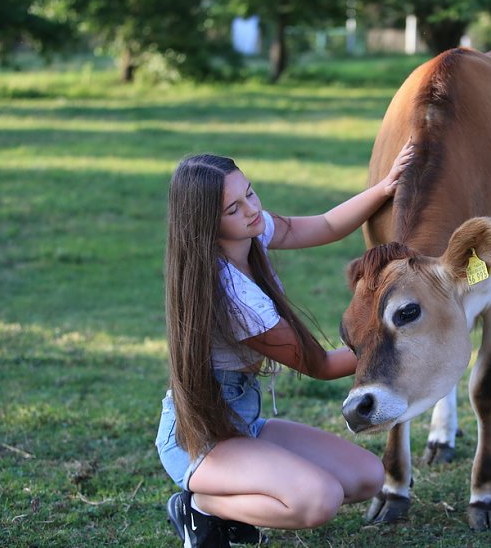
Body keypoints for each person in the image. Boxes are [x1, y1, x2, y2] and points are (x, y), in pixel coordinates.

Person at [155, 140, 415, 547]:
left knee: (367, 476)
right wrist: (401, 341)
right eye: (233, 209)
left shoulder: (251, 234)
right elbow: (321, 366)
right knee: (318, 500)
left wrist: (384, 187)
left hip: (241, 422)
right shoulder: (235, 297)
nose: (251, 209)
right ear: (205, 223)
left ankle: (228, 507)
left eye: (250, 193)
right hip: (198, 440)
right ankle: (201, 505)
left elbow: (325, 224)